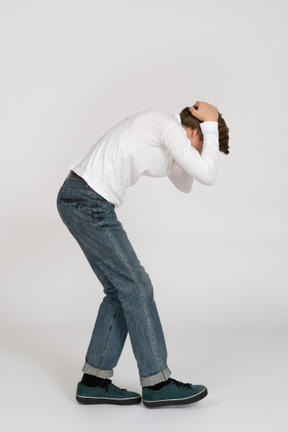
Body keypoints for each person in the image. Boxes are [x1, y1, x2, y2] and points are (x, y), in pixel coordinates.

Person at [56, 101, 229, 408]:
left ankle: (93, 382)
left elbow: (185, 183)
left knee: (120, 289)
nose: (201, 154)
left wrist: (194, 151)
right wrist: (212, 121)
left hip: (81, 197)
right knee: (137, 286)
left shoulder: (168, 134)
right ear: (192, 131)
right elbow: (208, 175)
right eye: (202, 144)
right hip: (88, 199)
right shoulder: (168, 127)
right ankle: (157, 382)